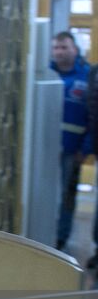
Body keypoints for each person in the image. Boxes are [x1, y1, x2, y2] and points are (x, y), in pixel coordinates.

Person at [49, 31, 91, 257]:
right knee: (46, 193)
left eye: (64, 47)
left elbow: (93, 117)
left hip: (72, 151)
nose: (59, 52)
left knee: (66, 196)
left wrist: (85, 149)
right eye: (56, 47)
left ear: (74, 49)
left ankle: (60, 237)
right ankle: (44, 233)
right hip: (43, 151)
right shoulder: (45, 73)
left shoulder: (86, 77)